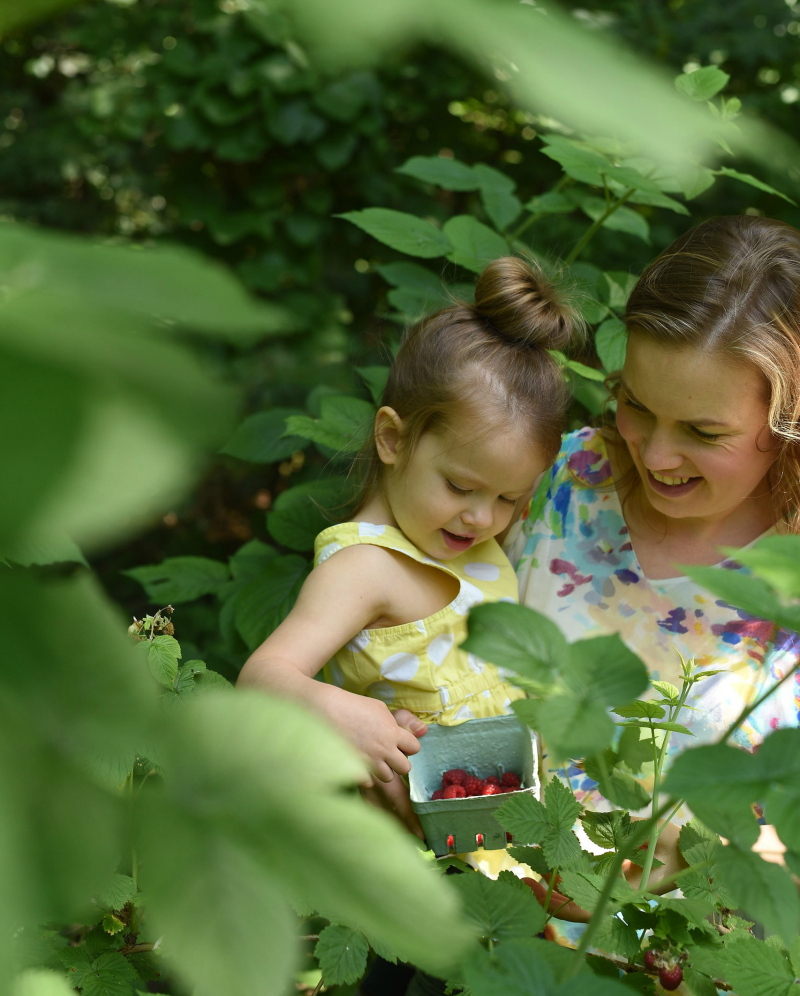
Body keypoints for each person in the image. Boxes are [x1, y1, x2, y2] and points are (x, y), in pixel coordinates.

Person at [506, 215, 800, 940]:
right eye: (636, 404)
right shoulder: (559, 478)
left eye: (703, 432)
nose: (655, 456)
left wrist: (736, 854)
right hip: (490, 948)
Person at [237, 256, 578, 810]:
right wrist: (342, 714)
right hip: (424, 829)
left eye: (508, 499)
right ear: (393, 439)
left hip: (503, 806)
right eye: (460, 487)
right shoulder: (362, 568)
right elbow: (261, 678)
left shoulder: (468, 542)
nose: (482, 518)